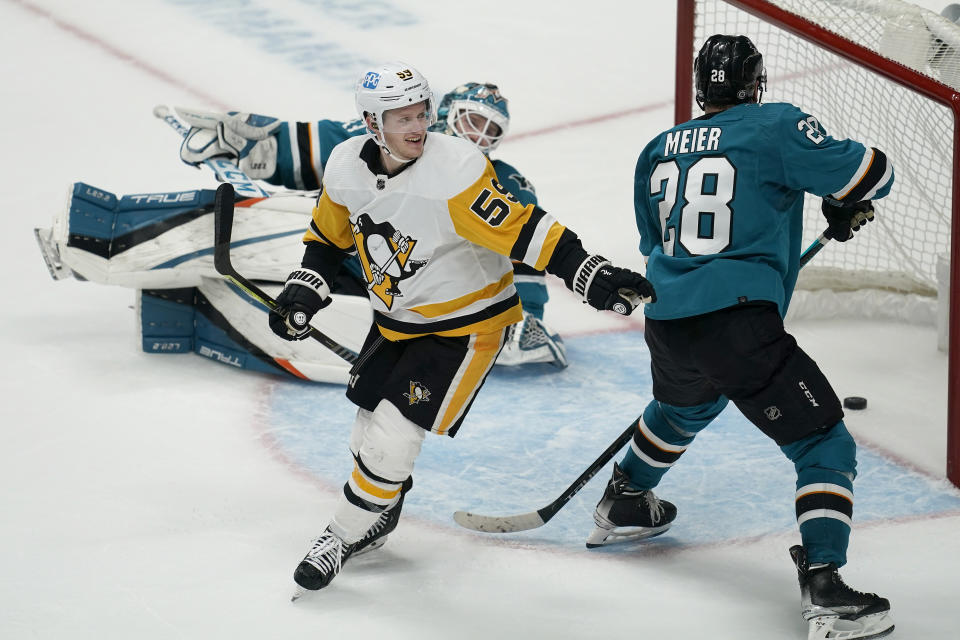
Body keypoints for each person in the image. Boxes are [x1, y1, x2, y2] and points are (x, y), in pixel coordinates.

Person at [268, 61, 655, 596]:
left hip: (465, 329)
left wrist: (588, 273)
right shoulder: (344, 167)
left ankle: (339, 535)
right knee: (366, 429)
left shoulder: (455, 171)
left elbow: (526, 230)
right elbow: (328, 240)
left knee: (391, 440)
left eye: (421, 113)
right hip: (396, 319)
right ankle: (378, 513)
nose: (417, 127)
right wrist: (304, 288)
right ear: (370, 123)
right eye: (401, 117)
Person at [586, 35, 895, 640]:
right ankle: (826, 585)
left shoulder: (657, 148)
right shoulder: (776, 126)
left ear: (701, 85)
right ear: (755, 82)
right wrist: (843, 199)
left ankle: (626, 497)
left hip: (667, 318)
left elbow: (657, 242)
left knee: (685, 405)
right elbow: (873, 173)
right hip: (739, 323)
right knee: (824, 443)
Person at [178, 81, 568, 368]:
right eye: (471, 121)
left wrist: (524, 315)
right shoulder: (388, 140)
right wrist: (264, 146)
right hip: (344, 264)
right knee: (277, 220)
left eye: (490, 130)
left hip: (415, 300)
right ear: (445, 113)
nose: (478, 136)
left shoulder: (500, 181)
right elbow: (326, 145)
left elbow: (520, 243)